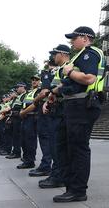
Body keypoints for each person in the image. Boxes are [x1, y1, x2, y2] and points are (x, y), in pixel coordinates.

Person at [50, 26, 105, 202]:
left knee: (77, 148)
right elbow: (70, 82)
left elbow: (90, 78)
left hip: (82, 104)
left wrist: (70, 72)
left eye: (74, 38)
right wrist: (55, 92)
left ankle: (78, 190)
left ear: (85, 38)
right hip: (73, 104)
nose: (71, 42)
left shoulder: (90, 53)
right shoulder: (79, 55)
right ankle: (70, 187)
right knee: (65, 146)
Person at [38, 44, 71, 189]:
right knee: (55, 145)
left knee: (58, 145)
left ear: (62, 54)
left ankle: (59, 176)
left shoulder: (69, 67)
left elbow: (61, 88)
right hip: (57, 109)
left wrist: (50, 96)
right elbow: (53, 90)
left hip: (64, 110)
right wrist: (49, 100)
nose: (53, 57)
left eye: (55, 54)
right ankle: (57, 174)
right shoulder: (59, 71)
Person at [17, 75, 42, 169]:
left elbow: (35, 105)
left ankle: (30, 160)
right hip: (25, 118)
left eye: (36, 80)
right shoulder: (29, 93)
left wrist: (23, 112)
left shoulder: (39, 91)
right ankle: (26, 159)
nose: (34, 81)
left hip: (32, 118)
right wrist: (22, 112)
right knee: (23, 140)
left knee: (30, 140)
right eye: (32, 80)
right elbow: (23, 104)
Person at [5, 82, 27, 160]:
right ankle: (15, 152)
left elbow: (23, 107)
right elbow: (12, 108)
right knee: (15, 136)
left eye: (17, 87)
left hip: (19, 118)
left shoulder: (24, 95)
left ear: (22, 87)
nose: (16, 89)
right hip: (14, 118)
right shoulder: (17, 97)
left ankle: (17, 153)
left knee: (18, 136)